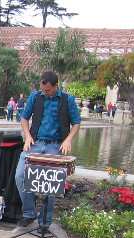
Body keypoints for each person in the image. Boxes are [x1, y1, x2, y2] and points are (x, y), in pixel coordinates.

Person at [15, 71, 81, 229]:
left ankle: (45, 221)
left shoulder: (67, 99)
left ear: (56, 86)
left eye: (48, 90)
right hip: (36, 143)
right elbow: (24, 118)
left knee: (51, 183)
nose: (44, 93)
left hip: (55, 145)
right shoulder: (35, 96)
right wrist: (28, 136)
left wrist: (68, 140)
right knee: (20, 176)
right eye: (43, 90)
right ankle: (30, 213)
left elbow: (76, 123)